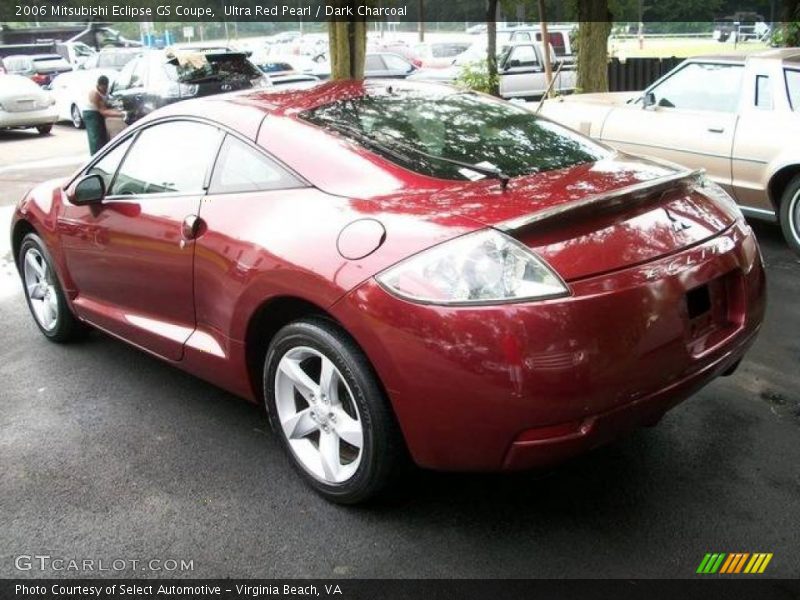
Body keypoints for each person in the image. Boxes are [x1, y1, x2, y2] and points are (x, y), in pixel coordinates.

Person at [82, 75, 124, 155]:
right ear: (98, 85)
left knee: (103, 136)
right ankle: (96, 156)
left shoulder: (106, 90)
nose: (105, 90)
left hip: (98, 111)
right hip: (90, 113)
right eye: (103, 88)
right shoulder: (95, 94)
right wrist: (120, 114)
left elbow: (106, 104)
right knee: (95, 138)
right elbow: (103, 111)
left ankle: (104, 154)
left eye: (106, 87)